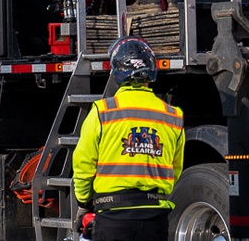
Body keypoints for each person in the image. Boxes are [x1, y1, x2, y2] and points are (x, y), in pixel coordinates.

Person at [72, 36, 185, 241]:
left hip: (112, 216)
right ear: (151, 72)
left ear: (117, 72)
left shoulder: (102, 111)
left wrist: (83, 204)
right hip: (155, 219)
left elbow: (83, 164)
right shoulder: (173, 116)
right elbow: (174, 170)